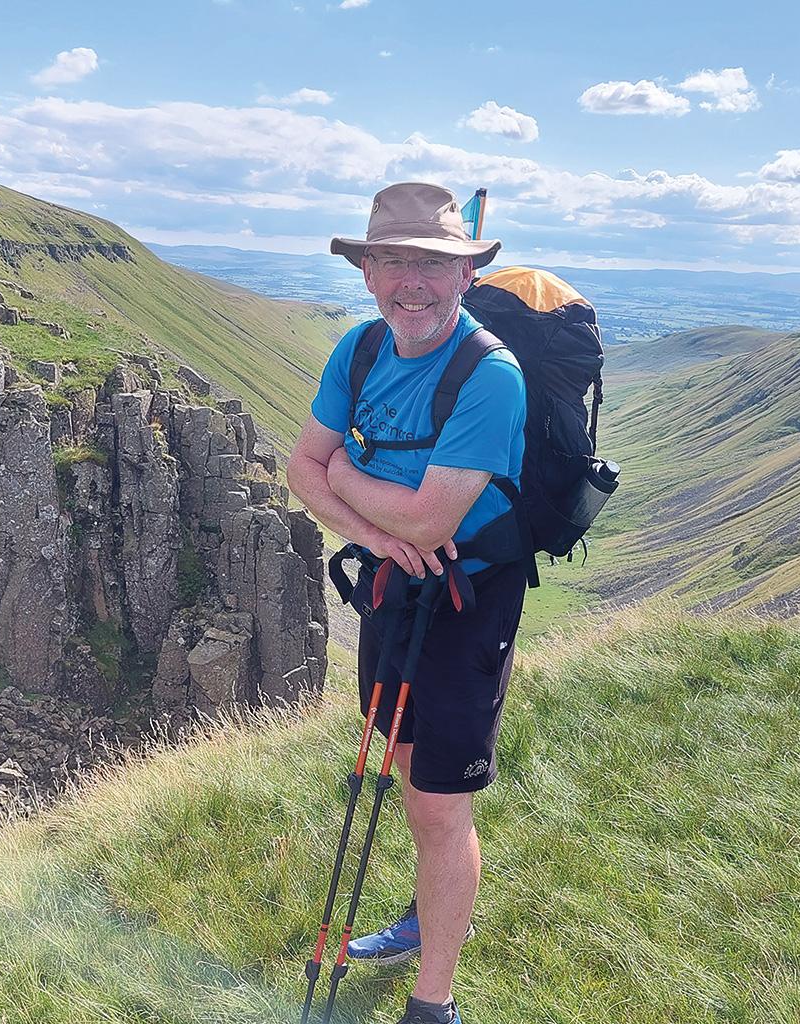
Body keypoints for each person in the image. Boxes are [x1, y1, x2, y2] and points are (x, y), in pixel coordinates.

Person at [286, 182, 528, 1024]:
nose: (411, 282)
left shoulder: (490, 376)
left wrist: (348, 478)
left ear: (465, 276)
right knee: (398, 761)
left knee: (436, 800)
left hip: (466, 605)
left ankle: (434, 1002)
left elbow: (430, 515)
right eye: (393, 261)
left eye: (432, 263)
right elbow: (298, 468)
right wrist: (383, 538)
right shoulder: (358, 351)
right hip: (393, 589)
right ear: (367, 272)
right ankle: (423, 916)